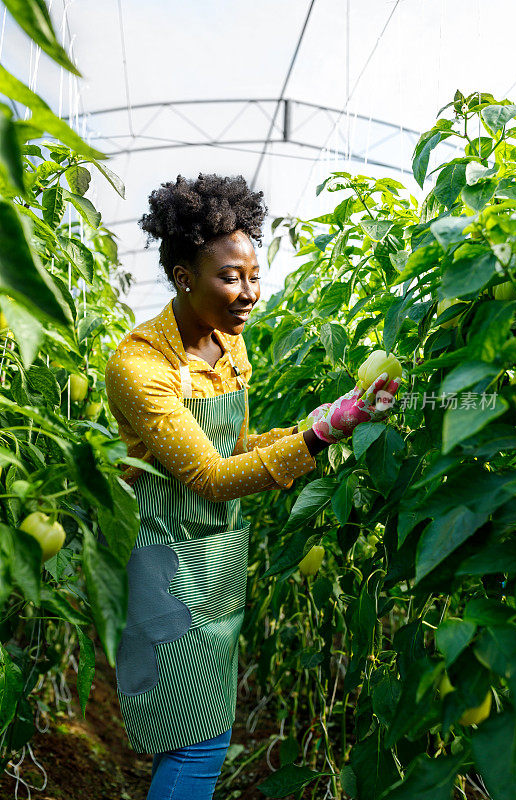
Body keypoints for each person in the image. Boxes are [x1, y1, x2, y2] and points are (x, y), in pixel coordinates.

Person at [104, 173, 401, 800]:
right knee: (196, 741)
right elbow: (211, 478)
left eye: (254, 275)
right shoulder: (141, 366)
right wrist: (322, 437)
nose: (250, 294)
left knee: (198, 729)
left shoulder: (228, 344)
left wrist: (324, 419)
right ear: (184, 276)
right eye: (230, 278)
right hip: (166, 566)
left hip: (220, 567)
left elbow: (236, 449)